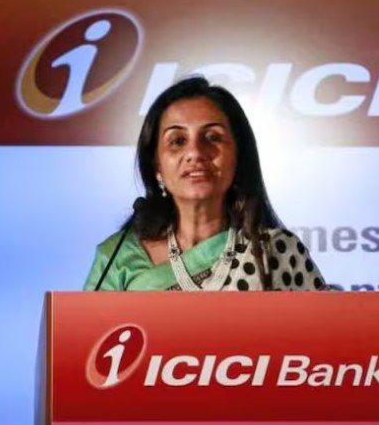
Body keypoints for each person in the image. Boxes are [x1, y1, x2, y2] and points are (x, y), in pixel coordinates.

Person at [84, 76, 328, 291]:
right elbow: (88, 331)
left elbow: (328, 328)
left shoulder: (276, 251)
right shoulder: (118, 257)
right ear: (157, 166)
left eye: (212, 137)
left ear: (238, 156)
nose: (196, 152)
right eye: (178, 141)